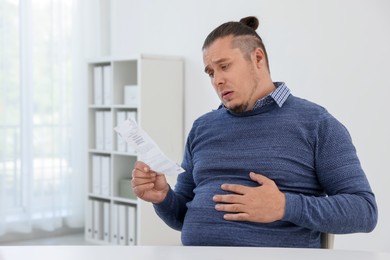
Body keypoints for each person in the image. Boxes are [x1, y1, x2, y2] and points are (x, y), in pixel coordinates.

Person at [131, 16, 378, 248]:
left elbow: (364, 212)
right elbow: (182, 216)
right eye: (210, 72)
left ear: (257, 58)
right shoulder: (202, 127)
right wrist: (162, 197)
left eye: (224, 66)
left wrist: (285, 206)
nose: (217, 80)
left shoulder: (316, 124)